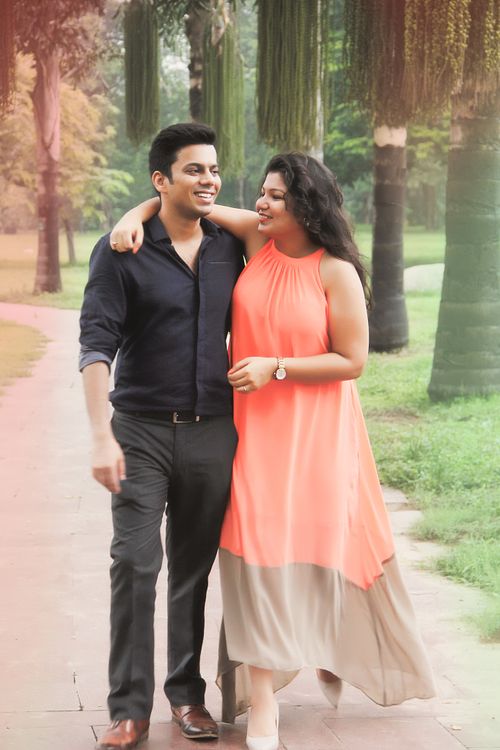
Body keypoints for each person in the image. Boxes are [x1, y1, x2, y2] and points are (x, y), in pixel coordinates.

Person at [110, 152, 435, 750]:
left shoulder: (334, 270)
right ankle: (264, 702)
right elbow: (182, 200)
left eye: (277, 196)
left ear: (307, 205)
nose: (262, 202)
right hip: (250, 433)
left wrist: (276, 366)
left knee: (319, 550)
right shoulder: (257, 239)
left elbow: (353, 360)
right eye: (262, 192)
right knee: (253, 556)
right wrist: (132, 216)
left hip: (316, 433)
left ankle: (328, 647)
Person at [79, 122, 245, 749]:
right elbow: (96, 344)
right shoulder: (120, 251)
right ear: (160, 179)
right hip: (140, 431)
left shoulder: (231, 246)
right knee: (134, 563)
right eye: (194, 169)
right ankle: (129, 709)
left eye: (214, 169)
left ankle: (186, 695)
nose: (209, 180)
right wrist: (101, 437)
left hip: (214, 431)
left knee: (193, 570)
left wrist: (145, 206)